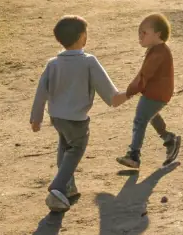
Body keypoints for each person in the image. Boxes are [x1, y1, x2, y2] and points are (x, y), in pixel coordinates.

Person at [29, 14, 125, 212]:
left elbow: (41, 92)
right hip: (77, 119)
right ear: (83, 36)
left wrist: (36, 118)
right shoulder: (89, 61)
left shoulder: (52, 63)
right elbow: (111, 95)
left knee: (64, 146)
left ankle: (69, 187)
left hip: (57, 117)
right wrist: (131, 92)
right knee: (75, 149)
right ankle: (58, 187)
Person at [112, 14, 180, 169]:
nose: (140, 36)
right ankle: (170, 140)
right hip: (158, 93)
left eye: (144, 33)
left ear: (158, 34)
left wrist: (127, 94)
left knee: (140, 119)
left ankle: (134, 155)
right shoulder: (156, 49)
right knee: (151, 115)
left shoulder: (158, 53)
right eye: (139, 32)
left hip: (156, 93)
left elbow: (143, 77)